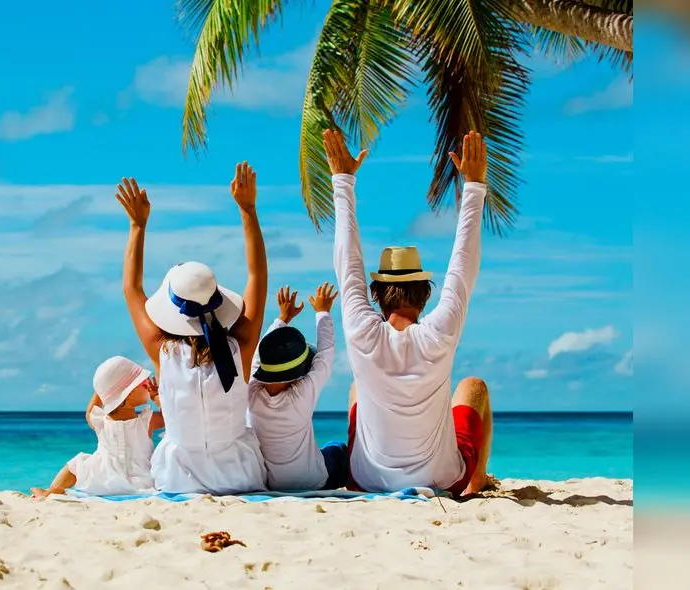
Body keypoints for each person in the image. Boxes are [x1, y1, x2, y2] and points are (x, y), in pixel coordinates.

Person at [326, 128, 494, 496]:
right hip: (442, 479)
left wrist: (343, 181)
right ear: (426, 292)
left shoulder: (361, 330)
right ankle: (476, 481)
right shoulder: (439, 331)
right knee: (473, 387)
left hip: (365, 481)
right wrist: (474, 187)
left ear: (375, 294)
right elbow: (462, 267)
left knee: (357, 388)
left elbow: (347, 263)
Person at [113, 163, 268, 494]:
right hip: (240, 475)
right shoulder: (240, 346)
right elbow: (257, 277)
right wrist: (248, 210)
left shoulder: (161, 350)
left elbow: (131, 289)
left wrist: (137, 226)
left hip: (177, 477)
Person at [247, 283, 349, 491]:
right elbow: (325, 356)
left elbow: (260, 356)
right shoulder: (301, 395)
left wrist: (282, 318)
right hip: (313, 481)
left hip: (271, 483)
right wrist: (322, 312)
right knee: (337, 448)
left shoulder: (251, 391)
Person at [30, 356, 164, 498]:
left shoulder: (101, 421)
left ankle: (51, 492)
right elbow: (170, 418)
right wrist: (156, 397)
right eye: (144, 383)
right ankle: (51, 492)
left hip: (103, 479)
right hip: (140, 480)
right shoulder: (147, 421)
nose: (149, 385)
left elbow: (89, 412)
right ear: (128, 393)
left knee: (77, 463)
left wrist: (102, 391)